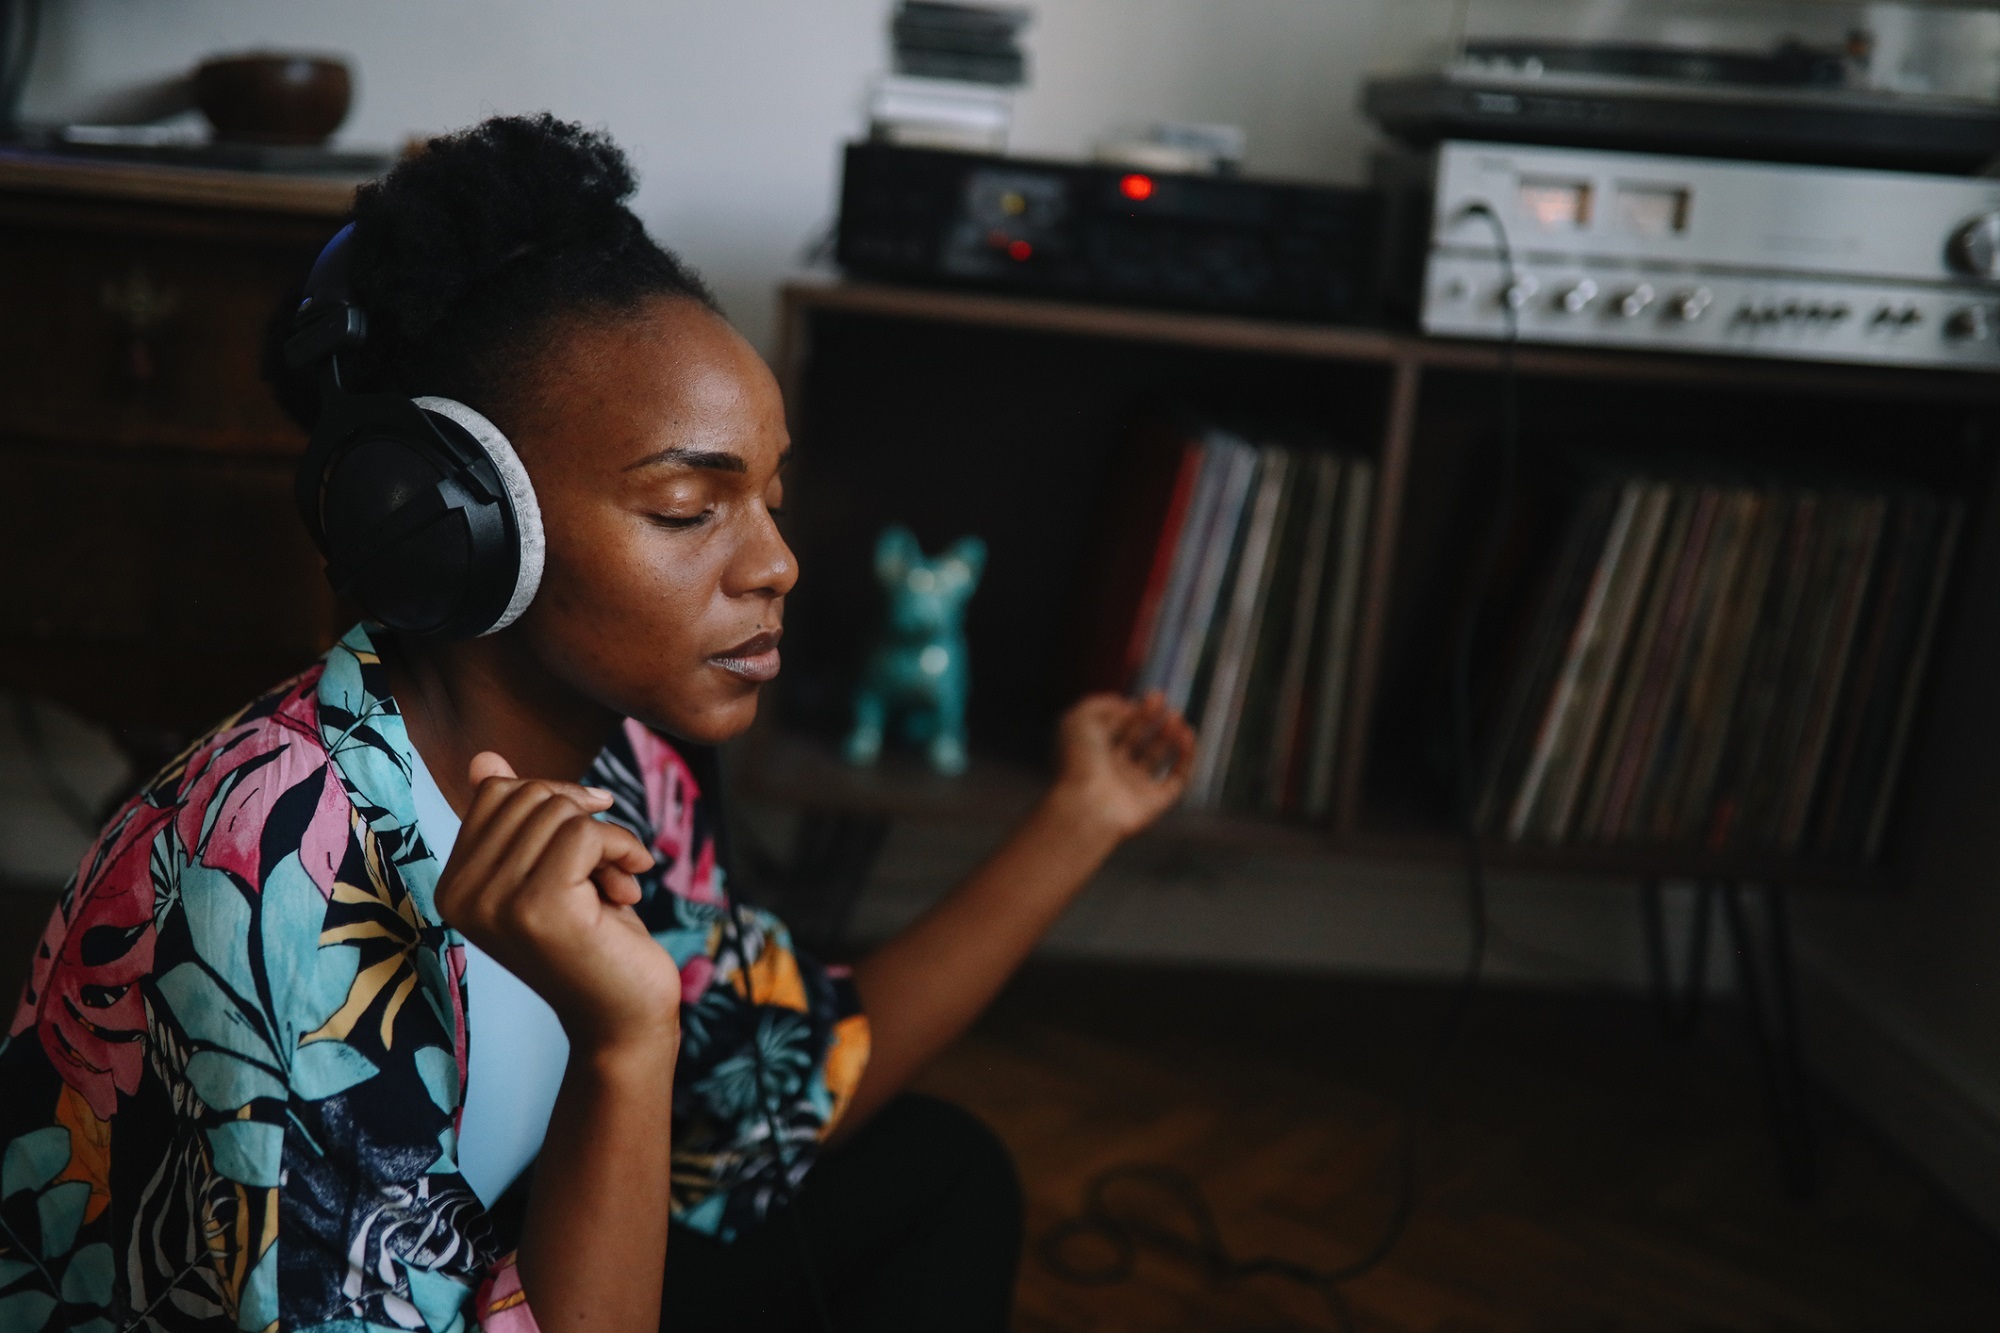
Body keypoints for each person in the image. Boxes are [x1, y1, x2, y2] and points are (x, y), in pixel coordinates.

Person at [0, 114, 1194, 1333]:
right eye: (688, 506)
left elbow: (784, 1086)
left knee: (937, 1175)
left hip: (508, 1261)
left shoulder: (629, 760)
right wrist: (625, 1042)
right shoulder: (266, 877)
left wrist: (1083, 813)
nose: (775, 562)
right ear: (453, 523)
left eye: (768, 500)